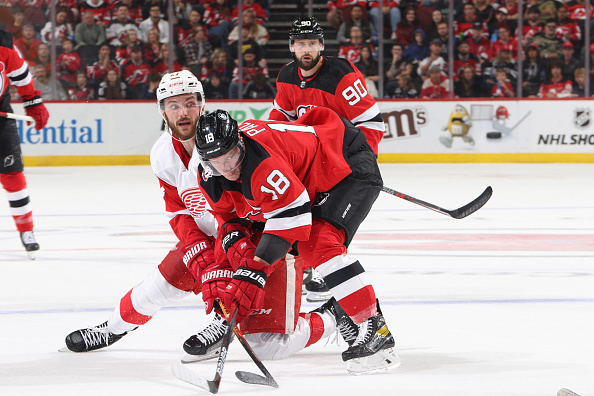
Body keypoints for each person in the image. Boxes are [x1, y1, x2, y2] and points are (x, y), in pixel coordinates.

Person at [193, 105, 400, 374]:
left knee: (320, 243)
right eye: (216, 162)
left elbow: (291, 221)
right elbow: (228, 218)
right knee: (299, 245)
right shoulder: (210, 176)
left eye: (230, 157)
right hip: (309, 173)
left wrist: (254, 273)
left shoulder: (263, 166)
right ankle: (344, 309)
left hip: (345, 164)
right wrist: (227, 261)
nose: (226, 168)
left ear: (240, 143)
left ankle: (376, 331)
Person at [63, 71, 228, 362]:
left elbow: (247, 207)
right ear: (162, 111)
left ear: (203, 105)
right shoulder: (162, 152)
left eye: (190, 103)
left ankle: (224, 323)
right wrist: (197, 249)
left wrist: (223, 256)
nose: (183, 112)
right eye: (173, 105)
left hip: (243, 241)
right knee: (155, 288)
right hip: (206, 237)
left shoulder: (223, 143)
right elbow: (178, 210)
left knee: (266, 336)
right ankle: (112, 328)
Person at [270, 17, 385, 156]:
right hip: (311, 158)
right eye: (301, 44)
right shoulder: (286, 76)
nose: (306, 50)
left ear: (321, 45)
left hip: (345, 158)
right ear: (292, 47)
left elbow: (372, 123)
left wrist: (358, 158)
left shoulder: (341, 75)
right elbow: (280, 120)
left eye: (312, 43)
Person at [0, 30, 49, 259]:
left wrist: (32, 102)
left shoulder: (3, 43)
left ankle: (26, 230)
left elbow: (21, 75)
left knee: (13, 175)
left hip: (1, 117)